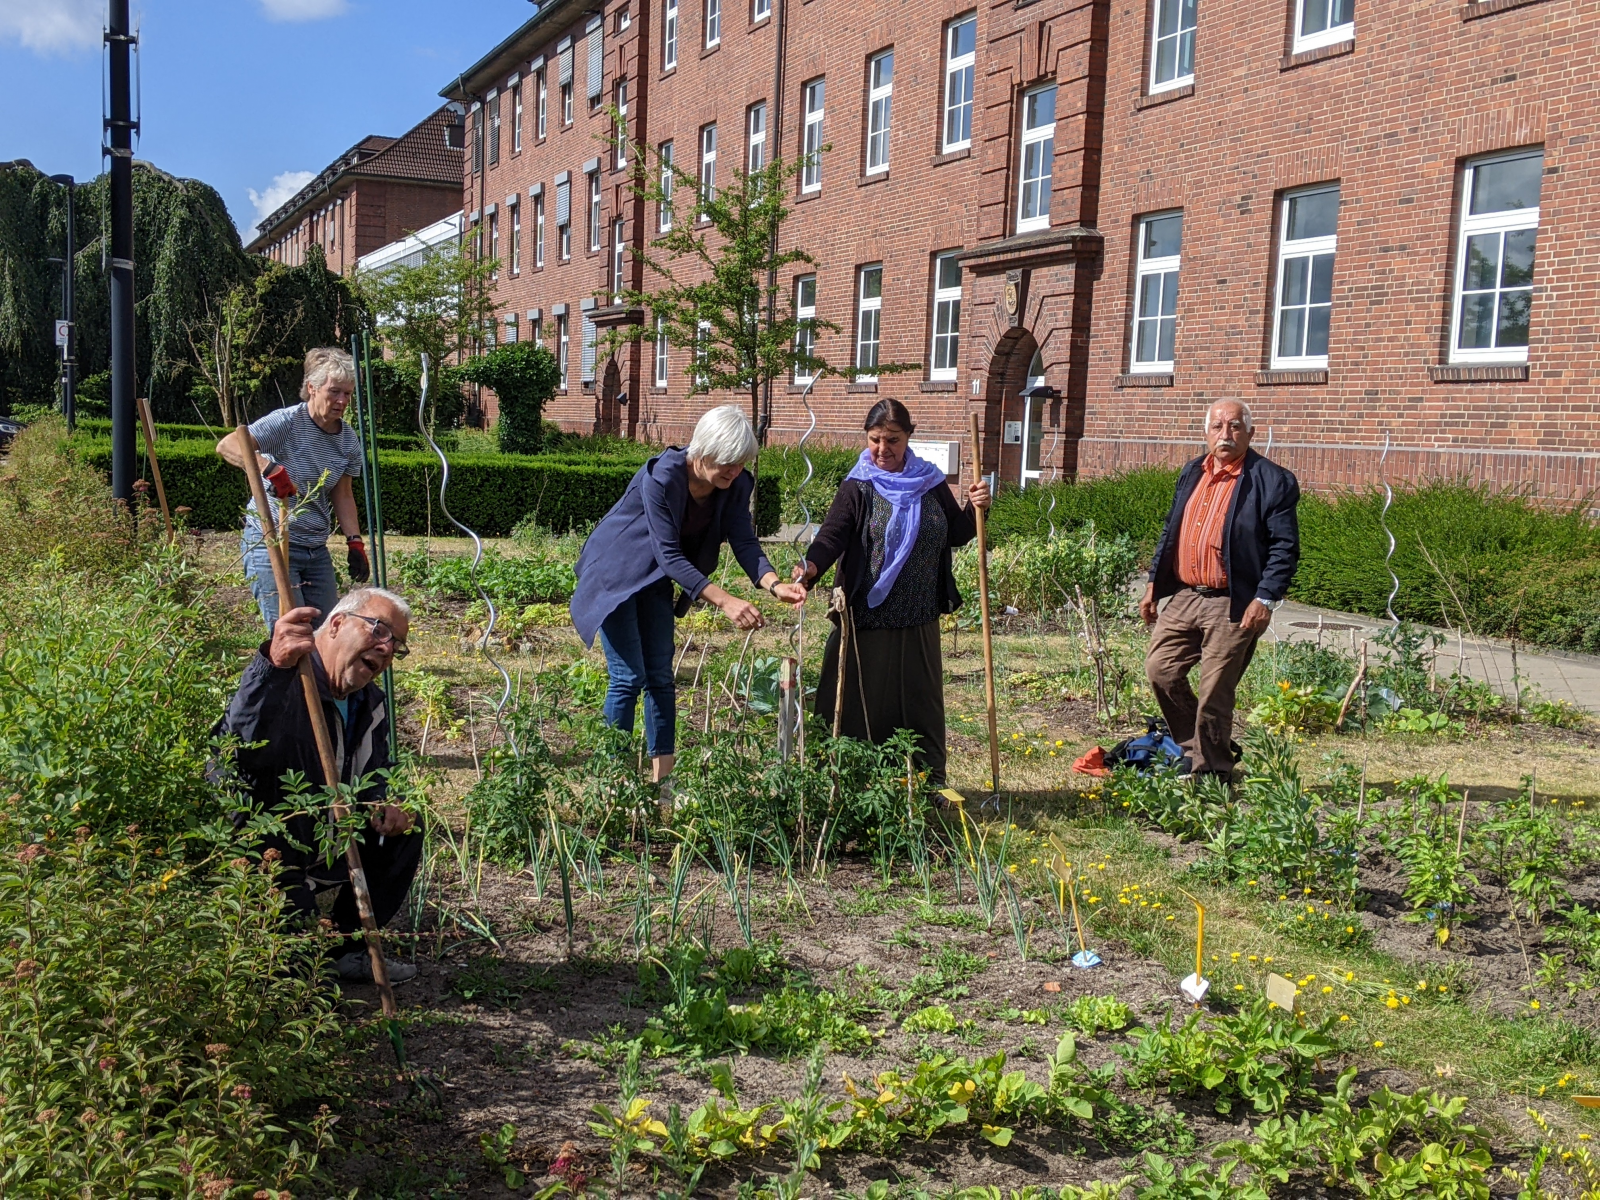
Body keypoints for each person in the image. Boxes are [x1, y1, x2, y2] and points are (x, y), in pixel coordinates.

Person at [569, 405, 807, 793]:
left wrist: (773, 584)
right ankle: (611, 784)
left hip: (655, 579)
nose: (733, 471)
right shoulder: (662, 477)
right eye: (727, 462)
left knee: (661, 677)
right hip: (615, 574)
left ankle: (663, 784)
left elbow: (743, 540)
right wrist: (725, 601)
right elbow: (669, 554)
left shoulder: (735, 485)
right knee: (629, 677)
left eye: (740, 462)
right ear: (703, 450)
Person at [213, 587, 421, 984]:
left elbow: (372, 776)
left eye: (397, 645)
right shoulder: (286, 680)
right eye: (380, 630)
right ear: (337, 623)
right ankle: (300, 948)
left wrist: (383, 808)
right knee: (299, 978)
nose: (388, 648)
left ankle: (349, 948)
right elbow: (236, 752)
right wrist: (272, 667)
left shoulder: (369, 704)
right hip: (269, 848)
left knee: (405, 833)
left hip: (327, 839)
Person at [794, 399, 990, 785]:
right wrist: (810, 567)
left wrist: (976, 507)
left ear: (909, 437)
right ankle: (844, 779)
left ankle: (924, 779)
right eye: (875, 440)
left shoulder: (929, 482)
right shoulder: (858, 485)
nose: (883, 450)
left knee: (919, 702)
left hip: (918, 615)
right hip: (866, 617)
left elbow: (958, 533)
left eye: (893, 441)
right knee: (855, 700)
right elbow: (832, 535)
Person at [1140, 399, 1301, 779]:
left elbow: (1285, 548)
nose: (1225, 434)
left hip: (1234, 601)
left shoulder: (1272, 480)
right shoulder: (1193, 471)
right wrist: (1153, 584)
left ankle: (1212, 774)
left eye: (1234, 426)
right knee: (1160, 670)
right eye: (1217, 426)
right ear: (1205, 432)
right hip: (1185, 594)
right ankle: (1196, 749)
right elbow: (1171, 531)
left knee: (1214, 692)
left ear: (1250, 432)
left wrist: (1265, 598)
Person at [216, 347, 371, 631]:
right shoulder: (287, 422)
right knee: (291, 633)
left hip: (315, 549)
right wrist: (269, 469)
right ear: (312, 388)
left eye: (347, 394)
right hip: (273, 540)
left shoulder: (348, 440)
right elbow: (228, 445)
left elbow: (343, 494)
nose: (342, 401)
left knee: (326, 633)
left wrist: (355, 542)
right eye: (334, 391)